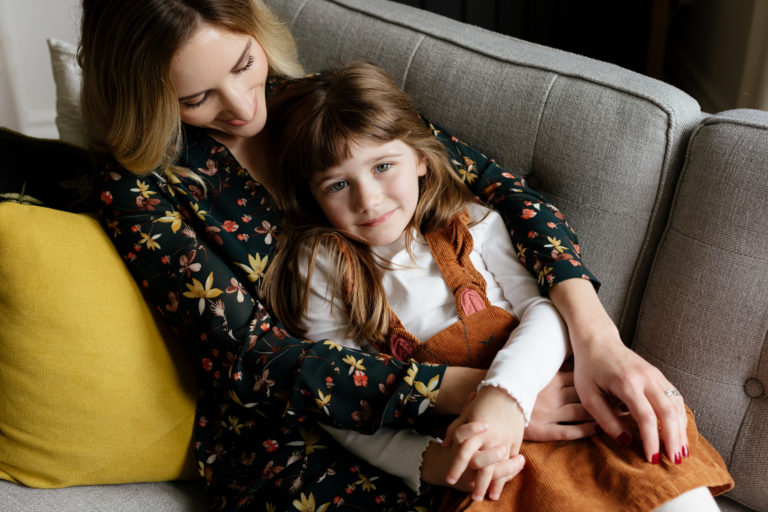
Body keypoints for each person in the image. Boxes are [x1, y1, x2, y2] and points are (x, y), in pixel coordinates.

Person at [78, 0, 732, 509]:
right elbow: (259, 363)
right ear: (147, 97)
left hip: (488, 379)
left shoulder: (318, 104)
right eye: (197, 99)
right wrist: (491, 396)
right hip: (304, 427)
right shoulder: (136, 186)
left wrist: (596, 340)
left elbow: (505, 193)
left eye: (245, 65)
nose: (246, 106)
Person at [261, 61, 733, 511]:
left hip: (565, 396)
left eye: (383, 166)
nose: (369, 198)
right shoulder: (320, 268)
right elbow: (343, 399)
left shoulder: (474, 222)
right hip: (483, 454)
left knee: (662, 480)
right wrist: (433, 463)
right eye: (337, 186)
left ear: (423, 159)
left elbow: (547, 311)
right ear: (313, 196)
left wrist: (507, 395)